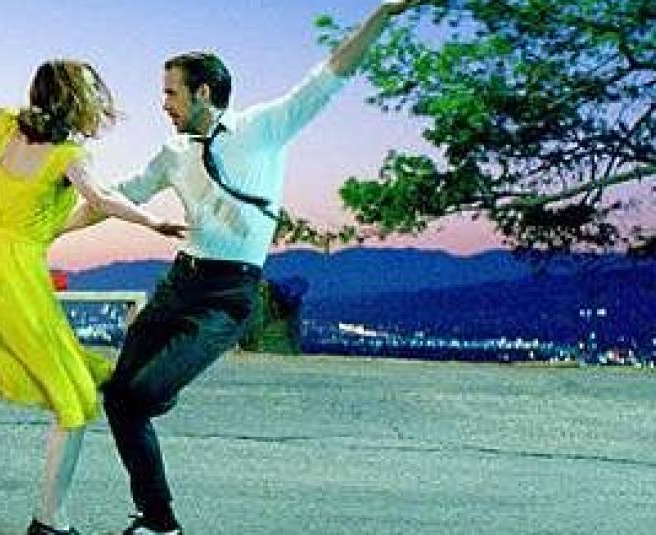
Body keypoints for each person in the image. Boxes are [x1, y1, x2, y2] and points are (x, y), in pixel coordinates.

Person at [63, 1, 420, 533]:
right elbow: (119, 195)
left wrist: (383, 15)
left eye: (171, 93)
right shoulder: (174, 152)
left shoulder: (262, 129)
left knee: (140, 397)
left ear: (203, 92)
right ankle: (159, 520)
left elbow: (330, 75)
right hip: (180, 282)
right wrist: (47, 230)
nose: (164, 104)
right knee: (119, 398)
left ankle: (162, 410)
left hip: (228, 296)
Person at [0, 2, 187, 534]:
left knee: (76, 390)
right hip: (20, 278)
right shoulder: (68, 156)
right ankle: (49, 523)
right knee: (75, 403)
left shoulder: (7, 128)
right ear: (75, 99)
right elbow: (101, 200)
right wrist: (152, 222)